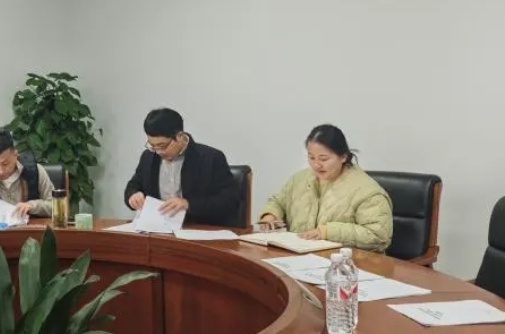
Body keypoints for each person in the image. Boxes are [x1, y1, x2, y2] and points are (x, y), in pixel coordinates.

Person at [257, 124, 392, 252]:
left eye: (323, 159)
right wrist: (270, 215)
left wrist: (328, 232)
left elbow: (378, 235)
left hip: (346, 263)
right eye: (311, 157)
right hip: (299, 257)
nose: (316, 165)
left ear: (343, 157)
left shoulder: (367, 191)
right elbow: (278, 201)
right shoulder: (299, 179)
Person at [124, 108, 240, 225]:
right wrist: (133, 195)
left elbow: (230, 201)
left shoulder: (211, 158)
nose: (158, 152)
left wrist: (188, 204)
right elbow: (134, 185)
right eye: (152, 146)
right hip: (158, 227)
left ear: (179, 136)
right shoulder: (148, 157)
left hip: (198, 227)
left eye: (162, 146)